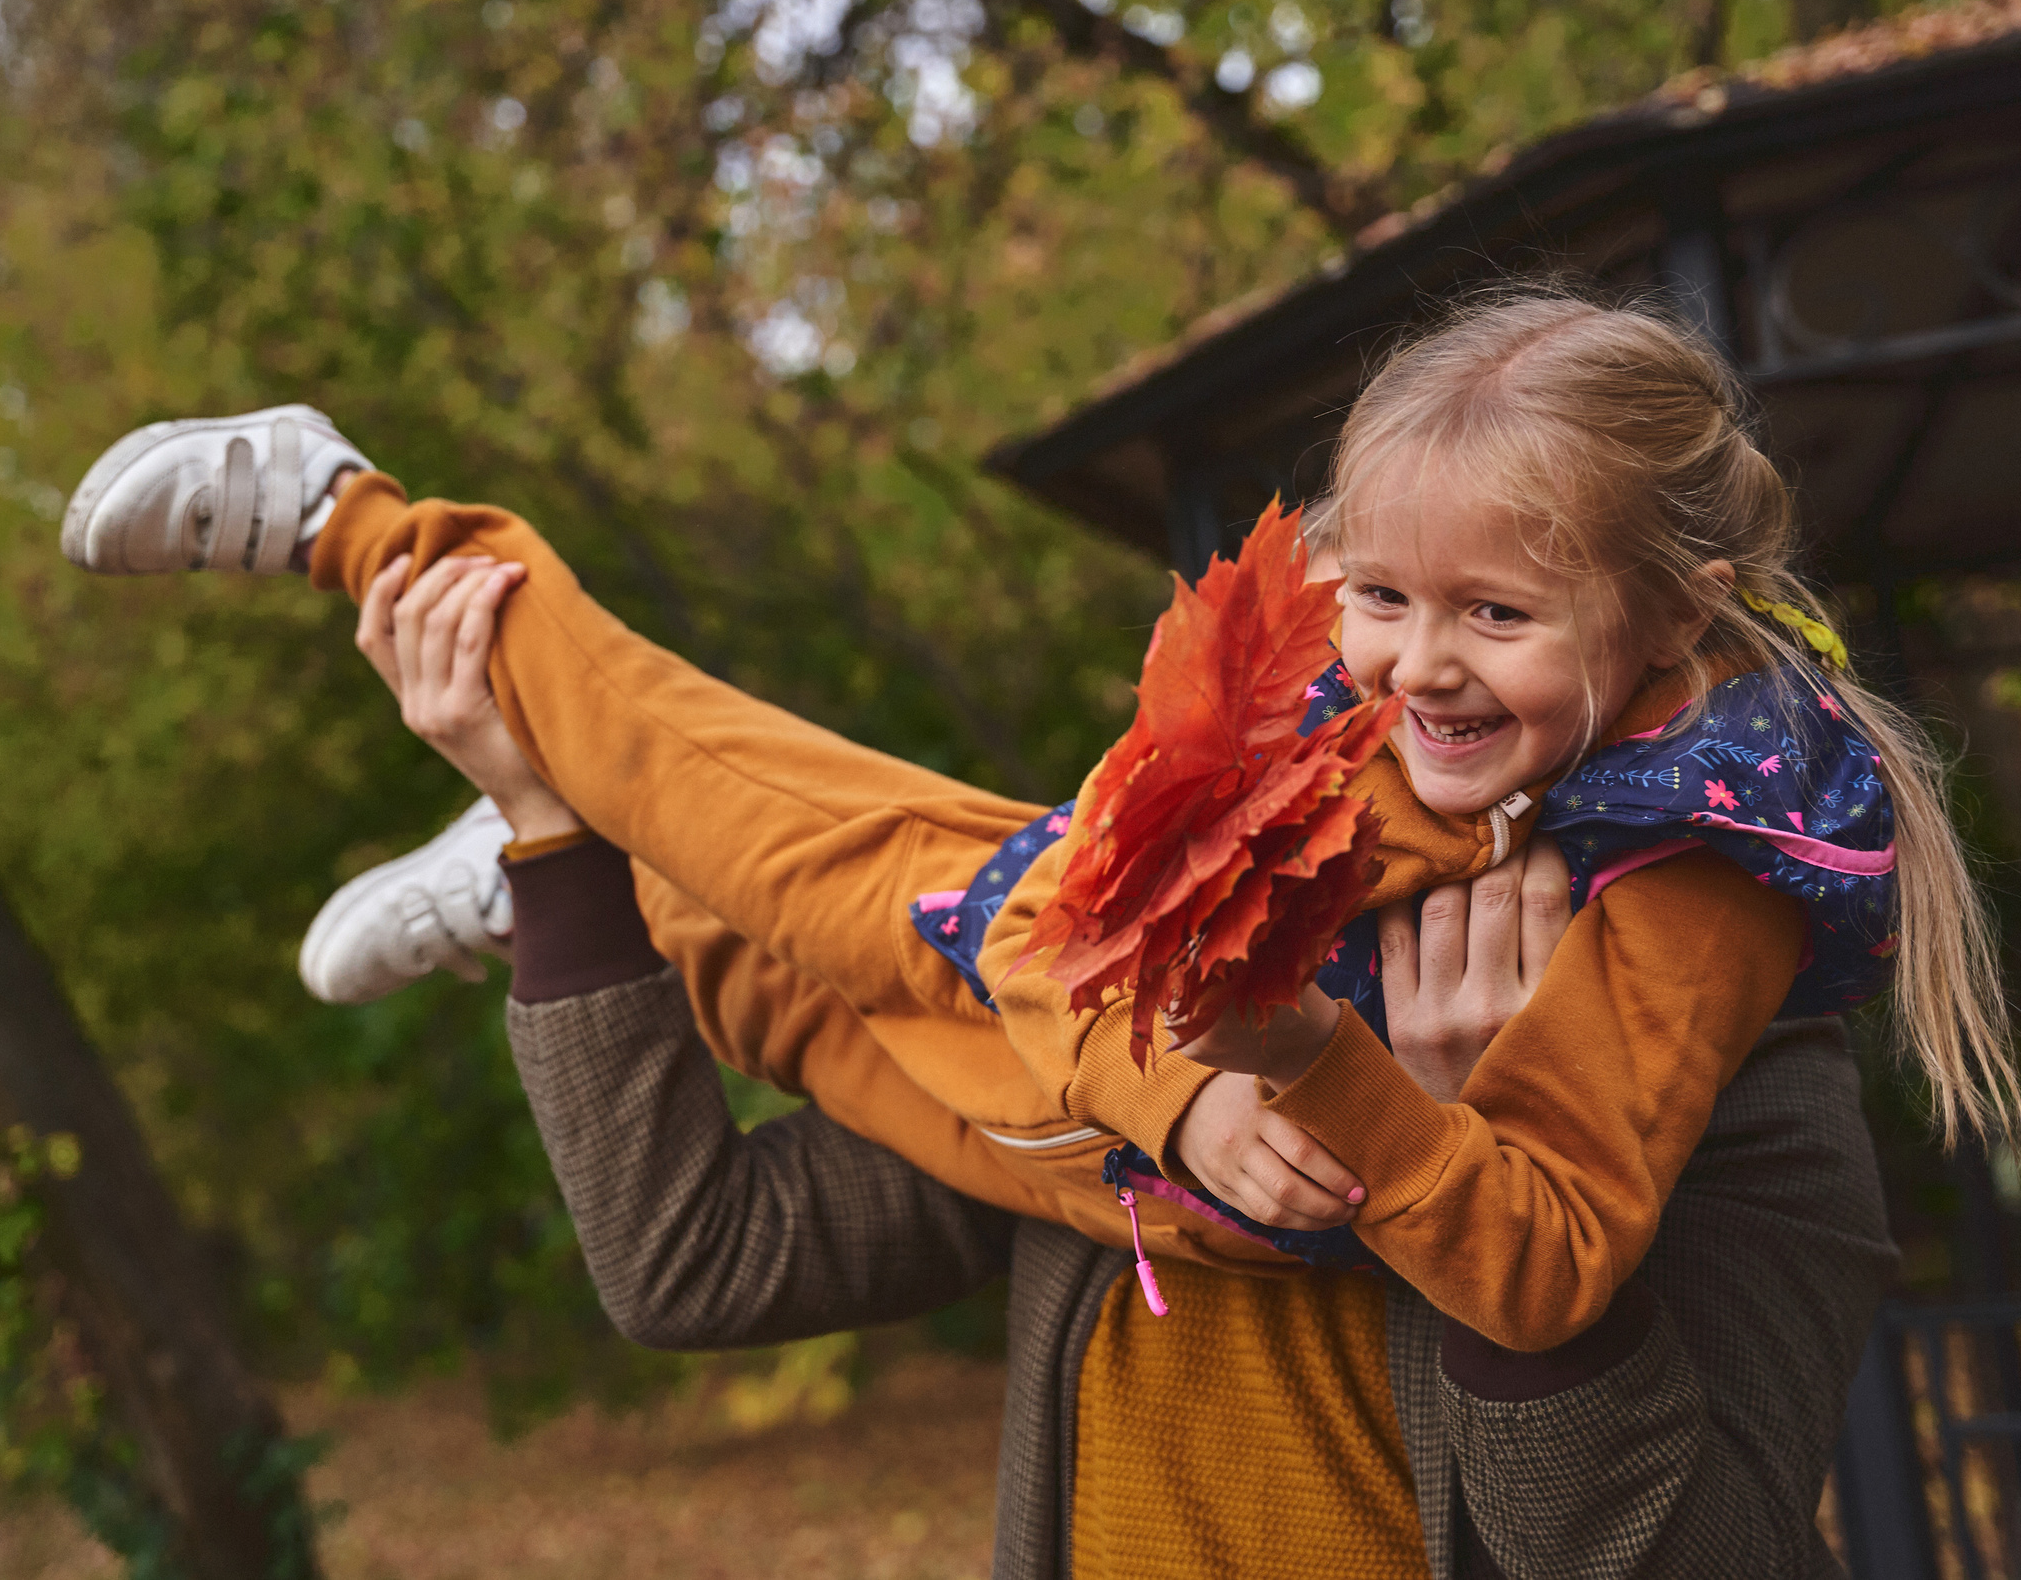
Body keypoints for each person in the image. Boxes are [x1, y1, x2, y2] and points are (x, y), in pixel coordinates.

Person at [354, 554, 1898, 1578]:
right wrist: (556, 848)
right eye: (1383, 619)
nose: (1426, 689)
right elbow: (700, 1262)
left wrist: (1470, 1167)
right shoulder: (1148, 1030)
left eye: (1501, 621)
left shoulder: (1751, 1100)